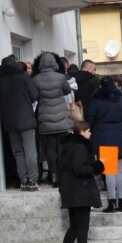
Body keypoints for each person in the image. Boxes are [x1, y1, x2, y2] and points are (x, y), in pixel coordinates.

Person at [56, 121, 105, 243]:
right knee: (82, 227)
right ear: (82, 132)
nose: (90, 133)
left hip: (70, 190)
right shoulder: (81, 147)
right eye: (89, 131)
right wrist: (97, 165)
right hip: (80, 190)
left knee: (74, 227)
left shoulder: (67, 146)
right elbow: (79, 169)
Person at [0, 55, 40, 191]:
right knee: (30, 151)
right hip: (26, 119)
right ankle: (33, 180)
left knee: (18, 152)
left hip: (9, 122)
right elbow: (35, 95)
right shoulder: (23, 76)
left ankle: (23, 180)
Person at [85, 76, 122, 213]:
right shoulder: (121, 101)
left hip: (104, 139)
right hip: (121, 138)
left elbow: (89, 120)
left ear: (100, 87)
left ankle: (112, 202)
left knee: (109, 172)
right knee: (120, 171)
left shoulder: (95, 101)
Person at [32, 52, 72, 188]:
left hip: (45, 118)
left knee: (50, 149)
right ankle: (61, 175)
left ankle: (53, 174)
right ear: (55, 63)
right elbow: (67, 91)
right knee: (61, 147)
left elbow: (35, 96)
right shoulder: (61, 77)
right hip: (61, 117)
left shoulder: (36, 79)